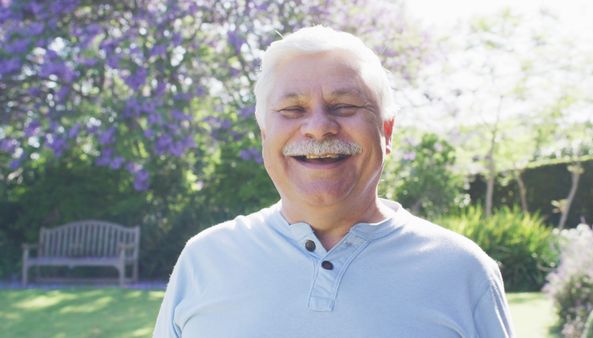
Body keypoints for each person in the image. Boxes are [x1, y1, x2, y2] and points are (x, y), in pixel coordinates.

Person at [153, 26, 514, 338]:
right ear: (265, 134)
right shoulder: (204, 261)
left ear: (386, 132)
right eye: (293, 110)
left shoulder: (463, 272)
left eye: (344, 106)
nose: (319, 127)